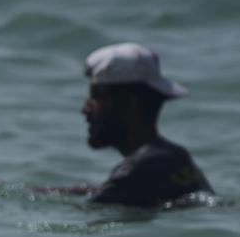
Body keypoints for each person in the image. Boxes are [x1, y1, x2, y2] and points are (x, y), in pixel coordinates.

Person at [41, 43, 212, 207]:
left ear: (129, 104)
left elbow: (91, 220)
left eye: (95, 97)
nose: (85, 109)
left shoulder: (140, 169)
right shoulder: (174, 155)